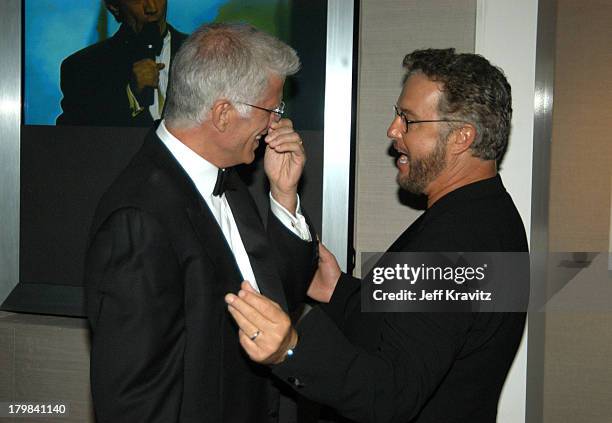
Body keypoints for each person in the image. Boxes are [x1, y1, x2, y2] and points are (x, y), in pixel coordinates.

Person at [226, 48, 529, 423]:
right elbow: (419, 323)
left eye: (408, 119)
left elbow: (392, 395)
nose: (392, 130)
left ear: (461, 137)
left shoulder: (455, 241)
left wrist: (291, 350)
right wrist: (338, 289)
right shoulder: (489, 213)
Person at [84, 23, 317, 423]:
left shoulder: (227, 180)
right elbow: (135, 400)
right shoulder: (138, 220)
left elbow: (276, 305)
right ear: (223, 114)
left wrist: (283, 196)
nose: (277, 123)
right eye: (272, 109)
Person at [56, 0, 187, 126]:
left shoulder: (203, 53)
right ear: (114, 6)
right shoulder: (83, 68)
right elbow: (73, 140)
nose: (152, 8)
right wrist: (131, 96)